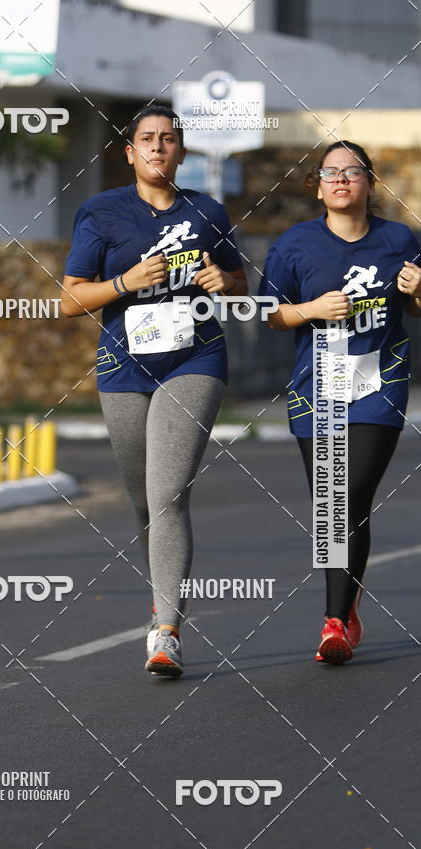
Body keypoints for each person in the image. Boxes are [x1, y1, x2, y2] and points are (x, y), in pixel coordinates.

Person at [61, 105, 247, 676]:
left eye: (168, 140)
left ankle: (166, 630)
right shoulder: (101, 212)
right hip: (122, 367)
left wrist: (224, 281)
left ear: (182, 152)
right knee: (145, 501)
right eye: (147, 139)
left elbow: (239, 280)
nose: (158, 148)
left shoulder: (207, 211)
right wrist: (124, 282)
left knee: (168, 495)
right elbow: (70, 299)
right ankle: (162, 593)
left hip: (194, 360)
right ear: (130, 152)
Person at [260, 140, 421, 664]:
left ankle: (333, 622)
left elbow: (418, 310)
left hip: (379, 383)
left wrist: (418, 290)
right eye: (330, 172)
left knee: (349, 498)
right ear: (318, 186)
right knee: (332, 510)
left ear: (371, 184)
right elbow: (268, 315)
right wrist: (310, 308)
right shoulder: (295, 244)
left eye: (353, 172)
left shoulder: (400, 239)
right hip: (318, 386)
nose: (341, 180)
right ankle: (346, 609)